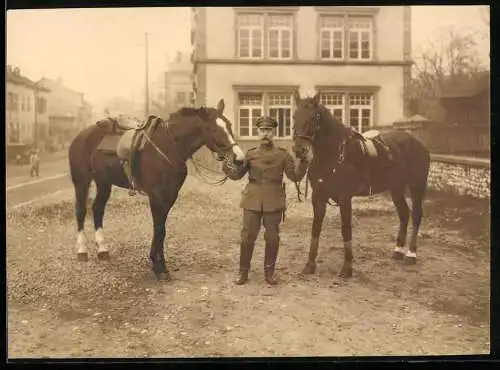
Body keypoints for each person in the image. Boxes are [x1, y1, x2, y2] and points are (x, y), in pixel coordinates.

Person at [222, 116, 309, 285]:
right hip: (252, 199)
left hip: (273, 200)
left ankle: (270, 273)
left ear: (273, 132)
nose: (265, 134)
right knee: (247, 236)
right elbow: (236, 175)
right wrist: (227, 163)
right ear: (258, 132)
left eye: (268, 131)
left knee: (272, 237)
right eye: (262, 130)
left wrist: (304, 161)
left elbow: (295, 176)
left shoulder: (283, 155)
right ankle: (243, 272)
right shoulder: (250, 154)